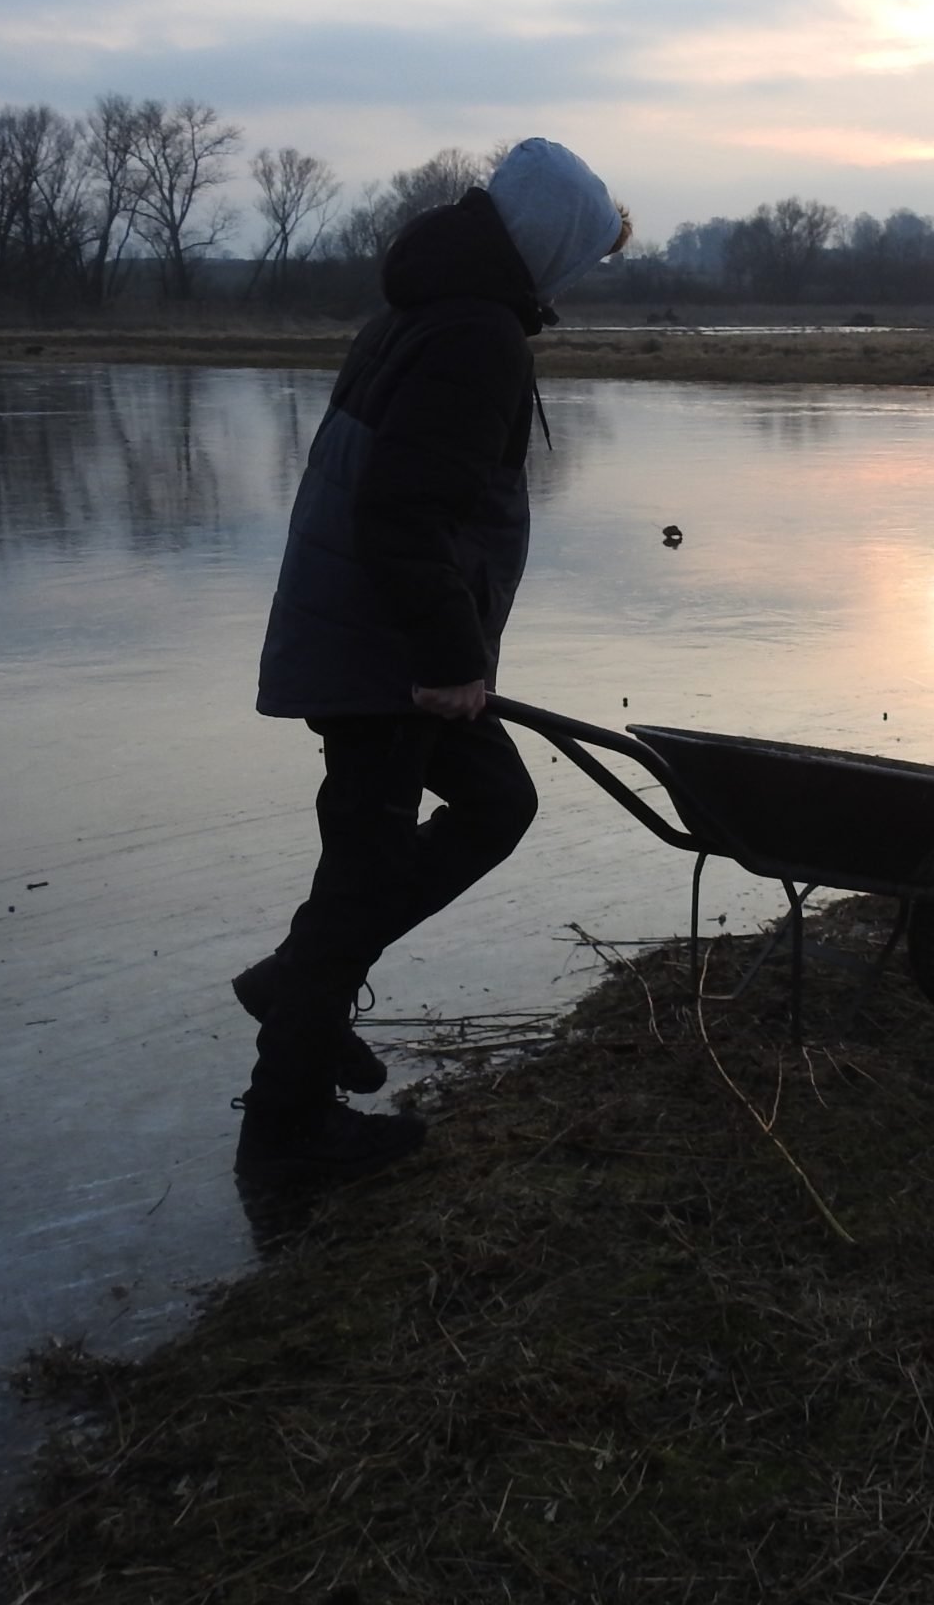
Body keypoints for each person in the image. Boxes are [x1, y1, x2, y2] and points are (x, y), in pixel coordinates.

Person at [233, 137, 630, 1181]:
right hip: (388, 648)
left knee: (492, 805)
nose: (577, 277)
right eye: (580, 256)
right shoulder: (475, 336)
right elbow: (404, 508)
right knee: (358, 879)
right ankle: (287, 1129)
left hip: (370, 631)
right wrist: (448, 658)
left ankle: (293, 990)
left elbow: (403, 497)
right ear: (545, 244)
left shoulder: (428, 305)